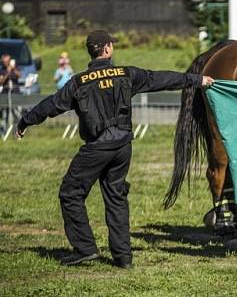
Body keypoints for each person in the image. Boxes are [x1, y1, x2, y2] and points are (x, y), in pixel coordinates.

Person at [14, 30, 214, 268]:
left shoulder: (78, 82)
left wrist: (25, 121)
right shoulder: (126, 74)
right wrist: (196, 79)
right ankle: (123, 257)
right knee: (116, 197)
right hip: (122, 147)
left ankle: (85, 248)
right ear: (107, 49)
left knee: (71, 193)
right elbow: (161, 79)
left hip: (97, 147)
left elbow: (51, 105)